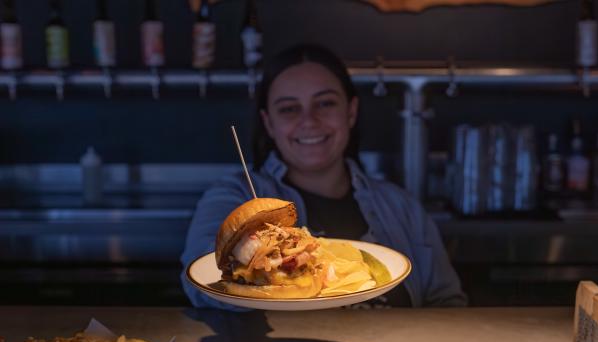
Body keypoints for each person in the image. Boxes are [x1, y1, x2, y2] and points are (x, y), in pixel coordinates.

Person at [180, 43, 467, 309]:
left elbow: (448, 302)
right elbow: (200, 284)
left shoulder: (401, 207)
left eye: (325, 103)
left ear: (351, 112)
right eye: (289, 108)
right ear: (269, 123)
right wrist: (259, 262)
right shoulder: (232, 197)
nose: (309, 121)